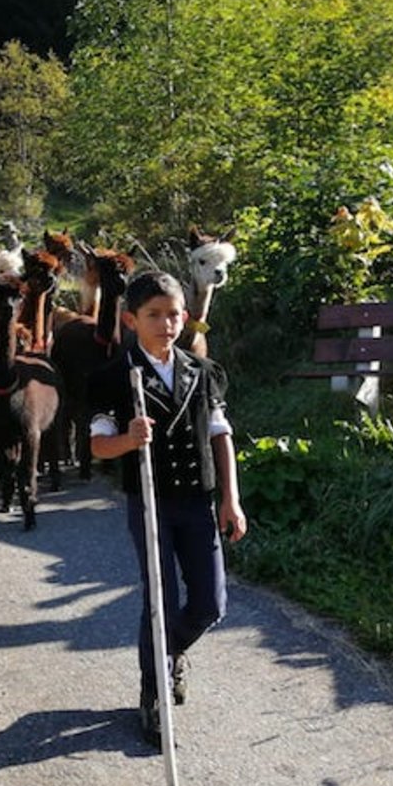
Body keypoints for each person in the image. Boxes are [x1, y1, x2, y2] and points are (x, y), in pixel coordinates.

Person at [87, 270, 247, 747]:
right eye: (154, 315)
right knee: (158, 601)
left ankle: (168, 655)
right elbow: (97, 448)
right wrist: (127, 439)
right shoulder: (114, 377)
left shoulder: (203, 372)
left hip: (198, 501)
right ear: (131, 319)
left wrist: (230, 498)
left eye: (174, 313)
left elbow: (221, 436)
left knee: (210, 603)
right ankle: (152, 692)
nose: (166, 323)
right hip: (150, 502)